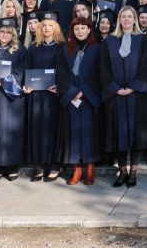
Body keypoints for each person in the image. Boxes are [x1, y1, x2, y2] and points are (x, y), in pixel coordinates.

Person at [99, 6, 147, 188]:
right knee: (118, 133)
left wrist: (132, 87)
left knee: (136, 134)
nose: (127, 20)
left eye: (130, 16)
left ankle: (133, 172)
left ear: (135, 19)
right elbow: (103, 68)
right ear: (120, 20)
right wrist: (114, 88)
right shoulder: (110, 41)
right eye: (124, 17)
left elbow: (146, 66)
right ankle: (122, 171)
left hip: (136, 95)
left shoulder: (144, 40)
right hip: (115, 95)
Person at [56, 17, 102, 186]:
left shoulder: (97, 49)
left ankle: (90, 168)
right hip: (71, 97)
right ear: (72, 31)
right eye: (77, 29)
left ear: (89, 29)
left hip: (89, 97)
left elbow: (99, 72)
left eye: (83, 28)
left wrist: (85, 91)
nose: (80, 31)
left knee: (89, 133)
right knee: (73, 134)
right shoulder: (65, 49)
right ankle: (77, 169)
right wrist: (72, 92)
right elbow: (60, 73)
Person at [0, 17, 28, 181]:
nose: (5, 34)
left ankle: (12, 166)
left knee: (10, 130)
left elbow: (22, 72)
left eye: (9, 32)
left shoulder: (20, 50)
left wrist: (3, 81)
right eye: (2, 31)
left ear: (13, 34)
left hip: (11, 98)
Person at [25, 12, 65, 182]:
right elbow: (28, 69)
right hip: (36, 95)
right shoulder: (34, 47)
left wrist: (59, 86)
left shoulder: (62, 47)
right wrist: (26, 85)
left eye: (50, 25)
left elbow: (65, 72)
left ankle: (55, 165)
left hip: (53, 94)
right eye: (44, 25)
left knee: (54, 129)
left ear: (55, 27)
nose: (47, 28)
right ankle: (39, 166)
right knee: (37, 129)